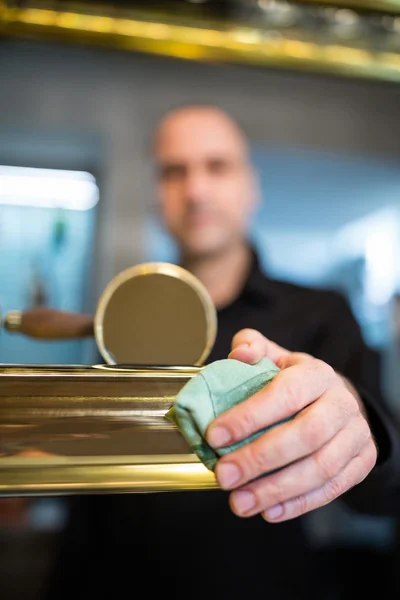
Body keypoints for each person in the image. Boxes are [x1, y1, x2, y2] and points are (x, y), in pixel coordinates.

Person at [41, 105, 399, 599]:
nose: (195, 190)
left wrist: (355, 416)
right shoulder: (123, 319)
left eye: (217, 166)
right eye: (174, 171)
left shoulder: (321, 314)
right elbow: (94, 500)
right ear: (156, 196)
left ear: (250, 186)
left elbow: (386, 491)